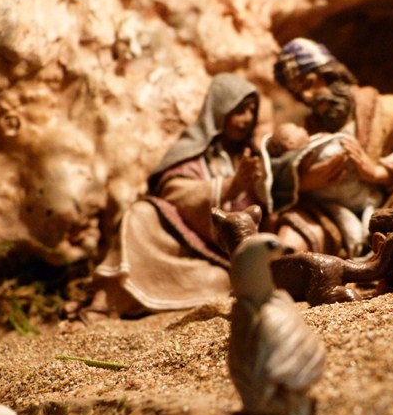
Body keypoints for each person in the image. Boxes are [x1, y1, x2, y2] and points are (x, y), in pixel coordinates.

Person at [90, 73, 263, 318]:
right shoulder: (194, 151)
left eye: (251, 111)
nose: (247, 119)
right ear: (219, 110)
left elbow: (262, 207)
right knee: (141, 213)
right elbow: (174, 192)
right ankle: (107, 298)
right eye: (239, 111)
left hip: (220, 254)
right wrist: (229, 187)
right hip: (180, 239)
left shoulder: (250, 156)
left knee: (217, 280)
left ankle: (134, 301)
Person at [267, 37, 393, 257]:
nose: (306, 96)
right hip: (335, 215)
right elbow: (276, 177)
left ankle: (383, 249)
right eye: (298, 93)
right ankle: (292, 266)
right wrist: (304, 182)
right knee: (293, 228)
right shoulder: (307, 133)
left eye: (309, 82)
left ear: (331, 74)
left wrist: (377, 172)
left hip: (389, 204)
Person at [264, 122, 384, 256]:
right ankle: (359, 244)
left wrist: (376, 172)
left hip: (363, 191)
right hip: (325, 204)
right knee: (342, 219)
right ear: (290, 144)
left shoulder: (319, 138)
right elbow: (277, 175)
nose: (302, 127)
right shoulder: (293, 158)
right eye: (296, 128)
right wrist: (300, 181)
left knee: (372, 212)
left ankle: (367, 235)